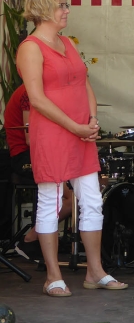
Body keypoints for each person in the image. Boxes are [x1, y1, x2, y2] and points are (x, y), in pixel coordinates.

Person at [16, 0, 127, 296]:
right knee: (50, 201)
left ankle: (95, 271)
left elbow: (84, 83)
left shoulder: (67, 42)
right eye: (61, 5)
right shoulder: (30, 47)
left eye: (66, 5)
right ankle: (53, 276)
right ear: (43, 9)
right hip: (53, 132)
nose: (67, 10)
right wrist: (74, 127)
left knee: (91, 200)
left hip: (81, 132)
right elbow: (37, 99)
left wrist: (91, 120)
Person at [4, 84, 72, 261]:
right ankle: (31, 239)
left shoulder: (35, 91)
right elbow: (30, 138)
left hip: (38, 154)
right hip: (26, 156)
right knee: (72, 197)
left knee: (84, 188)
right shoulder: (29, 93)